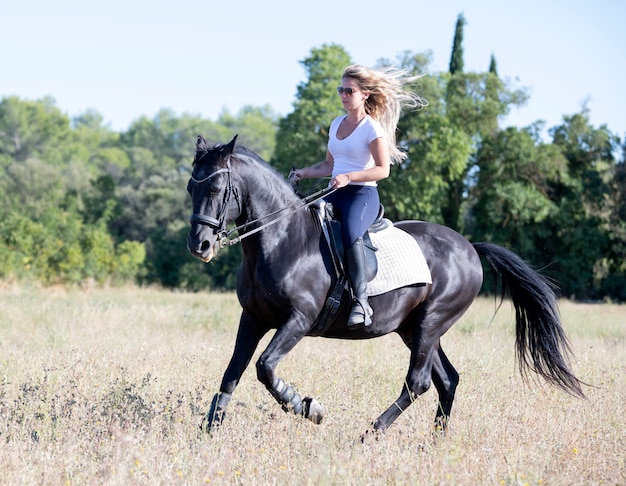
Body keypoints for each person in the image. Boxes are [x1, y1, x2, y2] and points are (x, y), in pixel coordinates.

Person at [290, 64, 428, 329]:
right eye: (340, 89)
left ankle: (361, 302)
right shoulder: (335, 124)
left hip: (362, 195)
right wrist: (303, 173)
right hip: (335, 191)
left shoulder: (371, 129)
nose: (343, 94)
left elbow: (383, 169)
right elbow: (330, 164)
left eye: (349, 90)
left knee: (351, 234)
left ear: (364, 94)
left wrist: (350, 176)